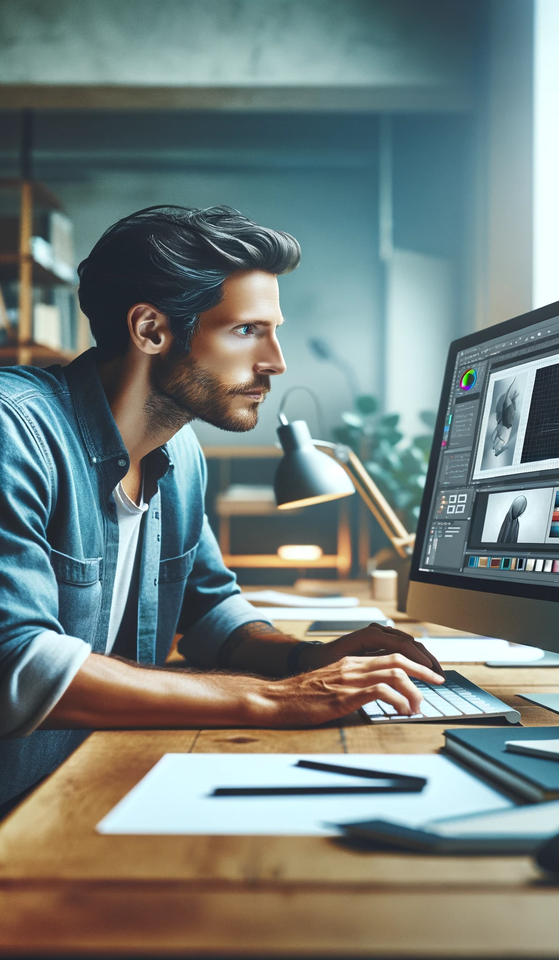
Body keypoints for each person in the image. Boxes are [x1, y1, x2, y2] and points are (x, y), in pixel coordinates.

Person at [0, 205, 444, 811]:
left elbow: (210, 612)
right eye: (246, 331)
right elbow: (17, 665)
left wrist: (310, 658)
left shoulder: (178, 451)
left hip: (87, 785)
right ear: (152, 330)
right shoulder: (16, 432)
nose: (276, 362)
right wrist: (271, 699)